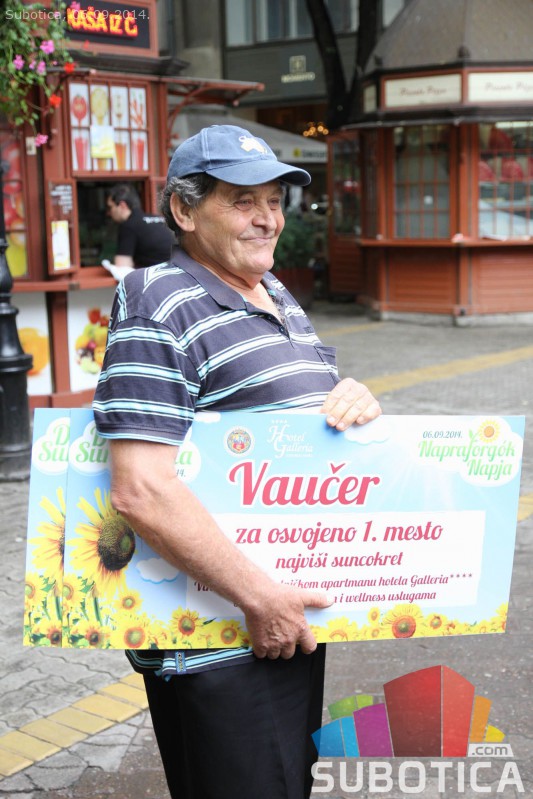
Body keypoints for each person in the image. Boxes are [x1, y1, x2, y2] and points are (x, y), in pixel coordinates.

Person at [93, 125, 381, 799]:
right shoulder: (156, 297)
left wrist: (354, 402)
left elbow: (294, 419)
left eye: (274, 201)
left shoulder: (273, 292)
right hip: (219, 634)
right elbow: (140, 487)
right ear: (184, 210)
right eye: (243, 200)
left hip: (281, 615)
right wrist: (259, 596)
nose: (267, 218)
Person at [105, 183, 175, 268]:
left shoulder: (129, 225)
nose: (108, 213)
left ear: (122, 205)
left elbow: (122, 266)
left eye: (110, 207)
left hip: (156, 274)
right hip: (179, 271)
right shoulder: (160, 219)